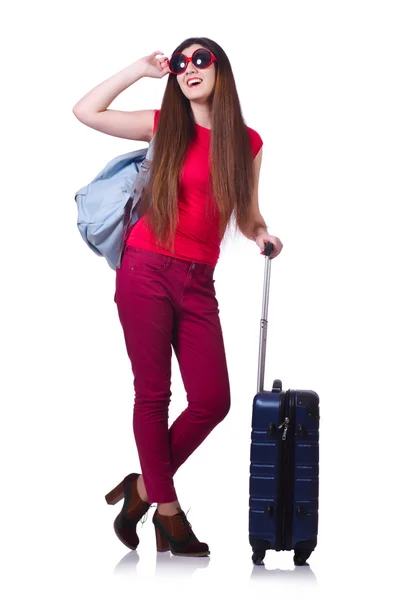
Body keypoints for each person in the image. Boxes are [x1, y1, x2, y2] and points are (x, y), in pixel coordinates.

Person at [72, 37, 283, 558]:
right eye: (181, 62)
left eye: (200, 60)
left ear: (220, 71)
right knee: (153, 395)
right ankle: (169, 514)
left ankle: (141, 488)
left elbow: (248, 214)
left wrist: (262, 235)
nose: (188, 68)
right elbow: (85, 110)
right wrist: (140, 69)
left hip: (198, 280)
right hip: (145, 269)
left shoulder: (248, 143)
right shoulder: (164, 123)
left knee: (213, 400)